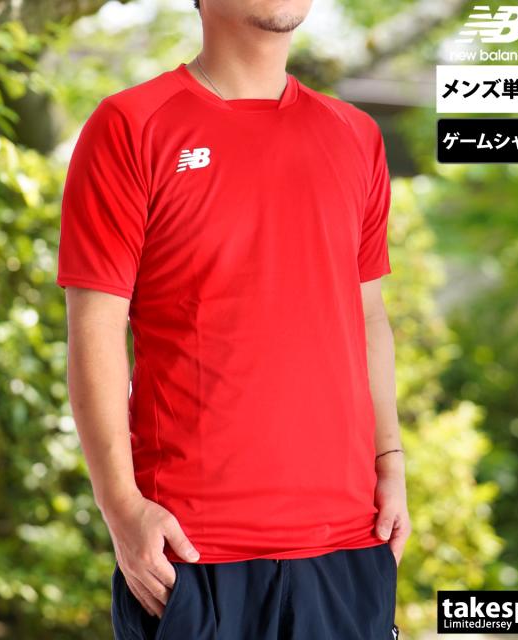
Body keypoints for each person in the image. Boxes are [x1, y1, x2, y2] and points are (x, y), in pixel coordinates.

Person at [56, 0, 410, 637]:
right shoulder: (131, 125)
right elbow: (96, 326)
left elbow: (369, 316)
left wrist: (391, 463)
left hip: (348, 545)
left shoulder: (354, 134)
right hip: (192, 552)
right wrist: (121, 507)